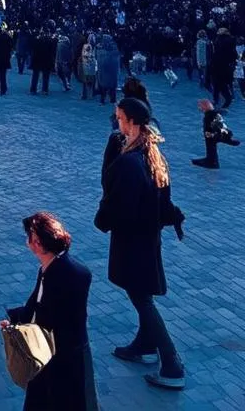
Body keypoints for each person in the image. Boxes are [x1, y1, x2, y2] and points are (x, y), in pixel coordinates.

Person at [94, 97, 185, 390]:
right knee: (141, 293)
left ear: (131, 121)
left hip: (134, 240)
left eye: (120, 117)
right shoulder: (151, 153)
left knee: (141, 298)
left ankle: (171, 364)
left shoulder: (130, 162)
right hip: (148, 237)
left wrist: (102, 219)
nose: (116, 122)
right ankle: (144, 344)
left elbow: (117, 202)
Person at [0, 212, 98, 410]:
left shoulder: (52, 275)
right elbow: (38, 304)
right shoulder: (72, 269)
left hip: (53, 356)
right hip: (73, 352)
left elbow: (42, 314)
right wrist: (16, 316)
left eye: (30, 239)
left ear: (36, 244)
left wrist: (15, 327)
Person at [191, 98, 240, 169]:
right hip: (220, 132)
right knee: (211, 140)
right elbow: (221, 125)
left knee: (209, 139)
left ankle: (212, 162)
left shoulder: (209, 116)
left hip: (216, 134)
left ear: (204, 106)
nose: (199, 108)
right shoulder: (214, 113)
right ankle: (211, 160)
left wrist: (214, 135)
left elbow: (217, 127)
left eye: (200, 106)